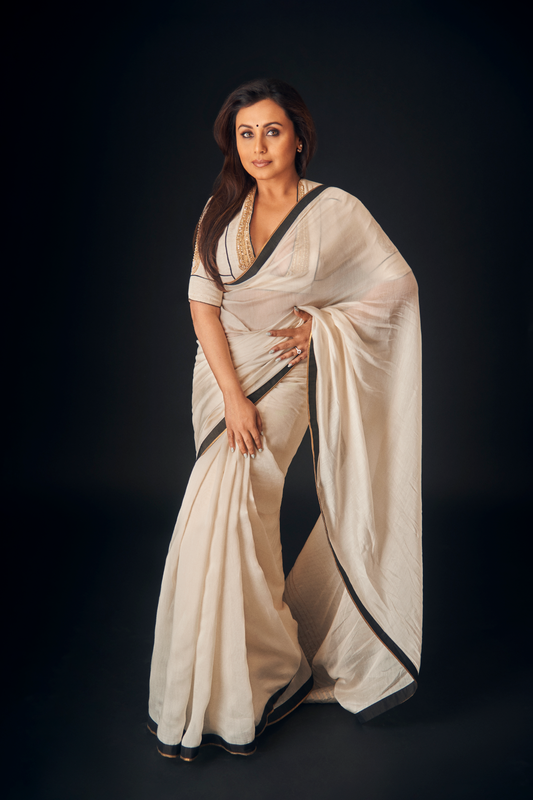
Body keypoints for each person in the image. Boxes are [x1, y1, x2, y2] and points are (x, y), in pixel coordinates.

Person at [148, 78, 422, 761]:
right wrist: (232, 396)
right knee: (217, 514)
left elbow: (397, 285)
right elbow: (202, 306)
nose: (258, 146)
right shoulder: (220, 209)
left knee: (242, 507)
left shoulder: (334, 210)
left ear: (298, 136)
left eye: (272, 131)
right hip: (222, 378)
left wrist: (322, 326)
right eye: (245, 134)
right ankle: (228, 680)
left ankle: (265, 674)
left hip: (288, 374)